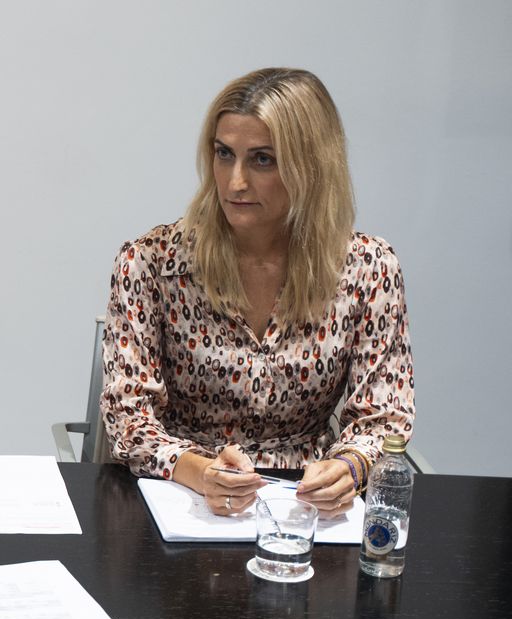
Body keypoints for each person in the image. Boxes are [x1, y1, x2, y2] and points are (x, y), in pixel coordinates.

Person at [102, 67, 414, 516]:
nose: (235, 182)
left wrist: (351, 466)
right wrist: (201, 472)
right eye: (224, 154)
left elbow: (384, 415)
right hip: (182, 495)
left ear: (312, 164)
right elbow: (127, 418)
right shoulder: (151, 263)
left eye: (262, 159)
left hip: (305, 505)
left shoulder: (368, 268)